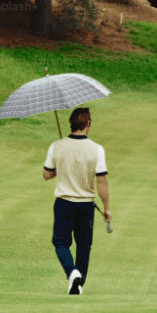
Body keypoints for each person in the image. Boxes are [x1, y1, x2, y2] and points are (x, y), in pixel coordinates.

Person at [43, 107, 110, 295]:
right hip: (86, 205)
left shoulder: (56, 146)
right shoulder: (97, 149)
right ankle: (78, 282)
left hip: (64, 203)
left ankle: (72, 274)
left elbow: (46, 174)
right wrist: (107, 208)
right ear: (87, 123)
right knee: (84, 245)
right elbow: (102, 180)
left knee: (61, 243)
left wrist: (61, 169)